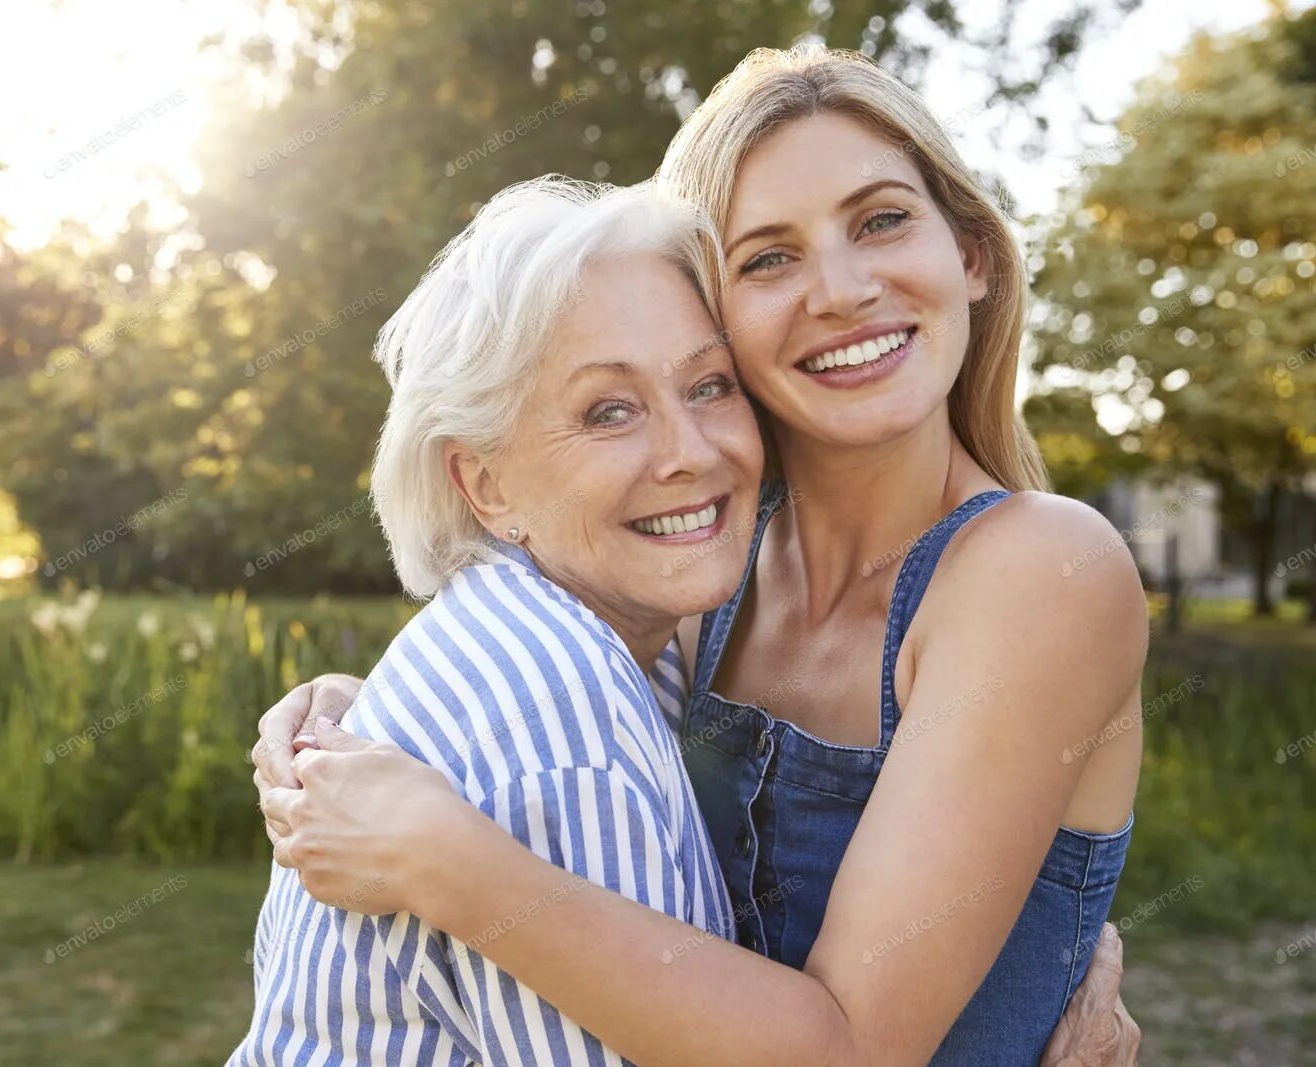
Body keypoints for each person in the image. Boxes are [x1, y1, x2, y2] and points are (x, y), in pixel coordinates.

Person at [255, 46, 1145, 1066]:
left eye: (881, 220)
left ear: (972, 256)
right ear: (715, 314)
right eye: (768, 256)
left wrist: (450, 862)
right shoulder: (711, 570)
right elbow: (548, 679)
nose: (843, 289)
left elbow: (851, 1049)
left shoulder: (1039, 570)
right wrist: (355, 714)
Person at [230, 178, 767, 1065]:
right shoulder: (562, 713)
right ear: (486, 486)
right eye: (609, 410)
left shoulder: (594, 632)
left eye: (709, 385)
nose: (691, 452)